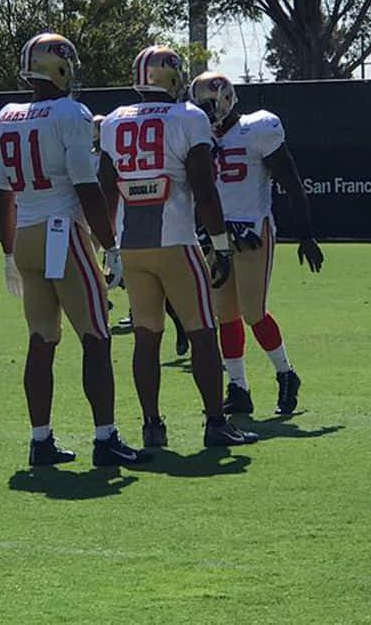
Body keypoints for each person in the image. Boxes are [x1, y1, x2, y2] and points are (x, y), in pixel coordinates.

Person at [0, 32, 146, 467]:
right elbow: (88, 189)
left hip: (25, 235)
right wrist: (111, 246)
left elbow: (3, 195)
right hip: (64, 233)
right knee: (96, 336)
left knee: (41, 340)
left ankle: (40, 441)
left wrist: (7, 254)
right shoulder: (70, 113)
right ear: (59, 66)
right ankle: (106, 437)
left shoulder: (4, 116)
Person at [99, 45, 257, 450]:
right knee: (204, 333)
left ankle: (152, 426)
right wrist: (221, 246)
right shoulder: (188, 117)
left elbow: (106, 188)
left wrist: (110, 247)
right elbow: (204, 189)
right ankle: (215, 423)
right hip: (177, 243)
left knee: (146, 336)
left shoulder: (115, 120)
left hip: (132, 245)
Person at [190, 72, 322, 417]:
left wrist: (306, 234)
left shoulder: (258, 128)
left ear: (225, 99)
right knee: (225, 314)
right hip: (215, 234)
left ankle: (285, 373)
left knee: (253, 312)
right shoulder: (201, 135)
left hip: (252, 232)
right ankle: (238, 387)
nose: (205, 113)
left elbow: (291, 181)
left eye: (208, 105)